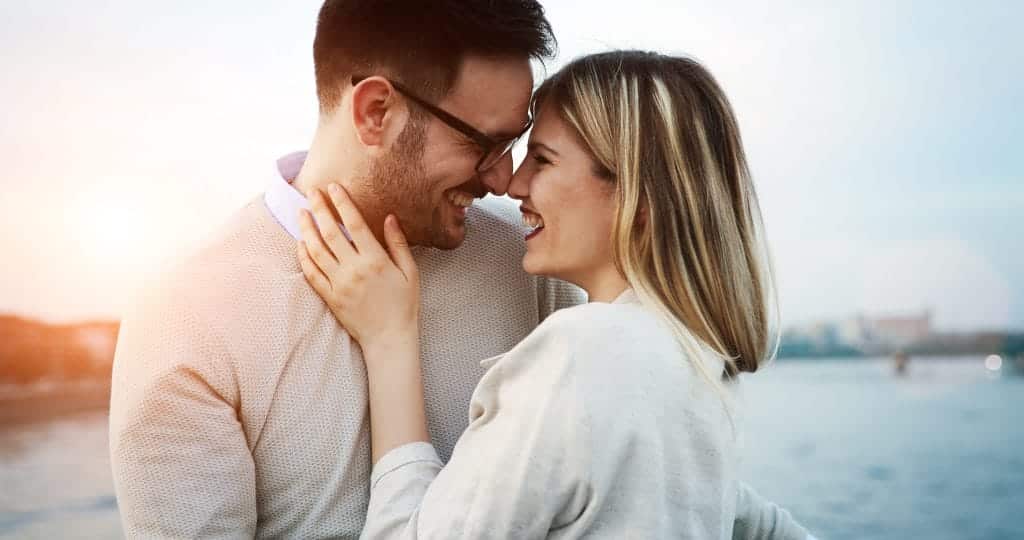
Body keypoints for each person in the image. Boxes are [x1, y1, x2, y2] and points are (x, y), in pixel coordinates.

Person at [110, 1, 807, 538]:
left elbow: (651, 468)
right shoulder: (186, 321)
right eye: (487, 143)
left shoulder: (535, 265)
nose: (506, 180)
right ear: (376, 111)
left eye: (524, 147)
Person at [298, 50, 816, 539]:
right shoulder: (693, 364)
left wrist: (390, 342)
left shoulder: (581, 353)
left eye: (542, 161)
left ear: (638, 197)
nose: (513, 184)